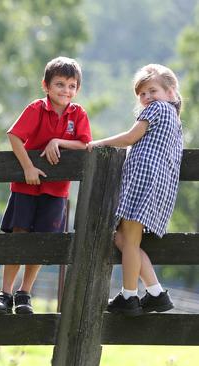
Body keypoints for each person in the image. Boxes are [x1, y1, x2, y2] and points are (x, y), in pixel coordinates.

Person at [0, 57, 92, 315]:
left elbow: (85, 143)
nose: (65, 90)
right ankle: (6, 293)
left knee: (41, 241)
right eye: (59, 84)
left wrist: (58, 140)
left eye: (71, 85)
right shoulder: (37, 108)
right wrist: (28, 168)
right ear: (45, 85)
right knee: (19, 236)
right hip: (26, 187)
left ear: (77, 89)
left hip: (56, 191)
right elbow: (14, 136)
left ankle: (25, 293)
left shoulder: (77, 114)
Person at [87, 64, 181, 316]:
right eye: (142, 94)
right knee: (121, 238)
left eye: (153, 90)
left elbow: (131, 137)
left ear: (170, 92)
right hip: (155, 183)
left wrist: (99, 143)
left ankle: (129, 295)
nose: (147, 97)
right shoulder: (173, 119)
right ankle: (155, 292)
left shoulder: (159, 109)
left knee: (128, 240)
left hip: (144, 179)